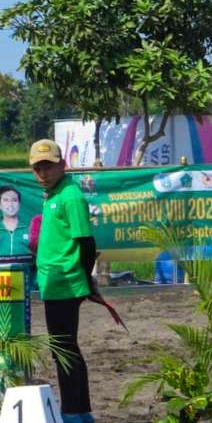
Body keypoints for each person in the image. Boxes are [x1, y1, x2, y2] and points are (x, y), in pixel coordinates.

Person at [29, 139, 96, 423]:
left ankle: (73, 413)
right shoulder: (54, 194)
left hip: (65, 284)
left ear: (62, 164)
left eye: (48, 166)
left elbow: (87, 243)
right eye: (38, 167)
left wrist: (81, 282)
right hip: (54, 284)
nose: (43, 172)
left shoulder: (69, 196)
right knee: (66, 349)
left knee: (64, 350)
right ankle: (79, 412)